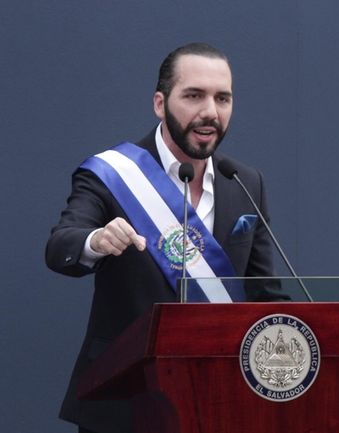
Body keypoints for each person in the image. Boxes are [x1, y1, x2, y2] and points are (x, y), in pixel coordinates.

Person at [45, 42, 286, 433]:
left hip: (220, 399)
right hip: (125, 399)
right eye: (194, 96)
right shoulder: (111, 174)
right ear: (160, 103)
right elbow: (60, 247)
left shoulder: (245, 182)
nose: (210, 111)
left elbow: (264, 292)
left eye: (222, 98)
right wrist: (96, 240)